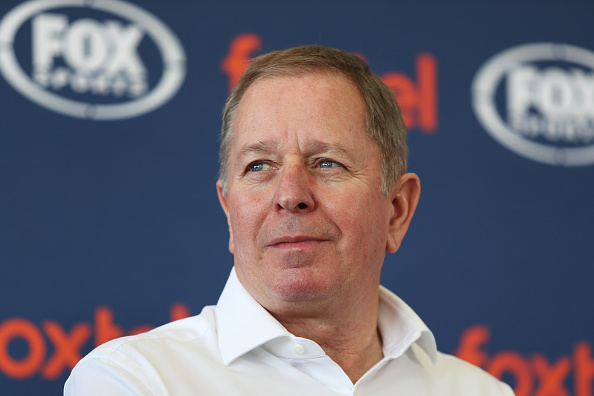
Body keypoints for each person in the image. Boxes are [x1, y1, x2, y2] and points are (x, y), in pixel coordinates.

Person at [65, 45, 515, 395]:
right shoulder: (134, 381)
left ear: (396, 210)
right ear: (228, 211)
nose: (290, 196)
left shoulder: (482, 392)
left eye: (327, 163)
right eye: (259, 165)